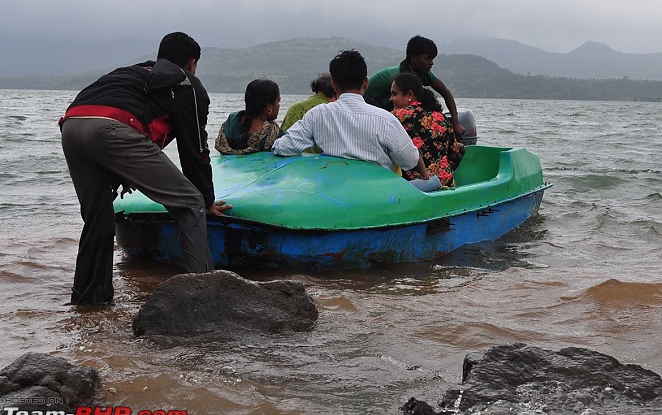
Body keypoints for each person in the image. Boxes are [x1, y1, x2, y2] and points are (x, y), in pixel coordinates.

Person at [59, 32, 231, 305]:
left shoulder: (132, 72)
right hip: (113, 127)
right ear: (191, 63)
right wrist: (206, 198)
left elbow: (120, 116)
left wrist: (122, 171)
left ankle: (89, 303)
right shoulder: (187, 84)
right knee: (189, 203)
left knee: (98, 218)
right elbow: (195, 150)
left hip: (72, 122)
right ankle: (206, 295)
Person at [272, 49, 435, 189]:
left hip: (334, 194)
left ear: (334, 85)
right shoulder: (385, 119)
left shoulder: (318, 114)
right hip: (379, 198)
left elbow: (283, 148)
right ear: (366, 83)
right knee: (433, 183)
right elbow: (410, 160)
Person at [364, 35, 466, 138]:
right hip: (370, 109)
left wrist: (456, 124)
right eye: (427, 59)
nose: (431, 63)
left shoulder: (423, 73)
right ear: (413, 58)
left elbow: (445, 92)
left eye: (432, 59)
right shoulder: (398, 77)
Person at [390, 73, 462, 188]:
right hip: (446, 185)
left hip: (413, 188)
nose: (391, 99)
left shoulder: (395, 117)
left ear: (409, 94)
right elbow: (454, 156)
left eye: (394, 94)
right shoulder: (441, 118)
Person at [215, 79, 282, 155]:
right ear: (269, 107)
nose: (279, 105)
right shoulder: (274, 133)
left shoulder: (232, 121)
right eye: (278, 101)